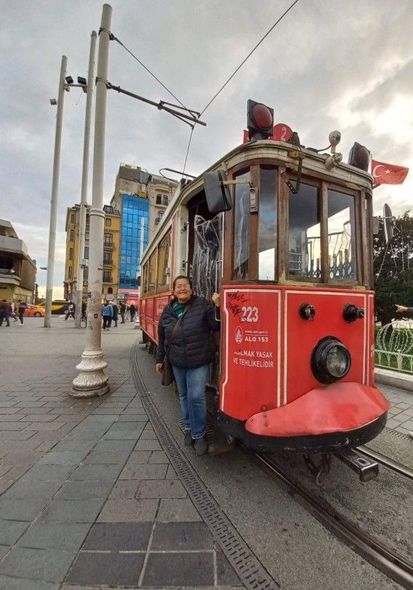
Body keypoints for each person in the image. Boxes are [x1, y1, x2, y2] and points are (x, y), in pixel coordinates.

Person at [155, 275, 220, 456]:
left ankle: (199, 434)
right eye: (179, 286)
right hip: (177, 361)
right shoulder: (168, 311)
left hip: (198, 360)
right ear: (174, 291)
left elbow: (215, 325)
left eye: (185, 286)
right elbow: (162, 337)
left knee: (197, 396)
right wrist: (160, 359)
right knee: (183, 395)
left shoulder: (203, 305)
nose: (182, 289)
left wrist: (217, 306)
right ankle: (189, 427)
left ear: (192, 289)